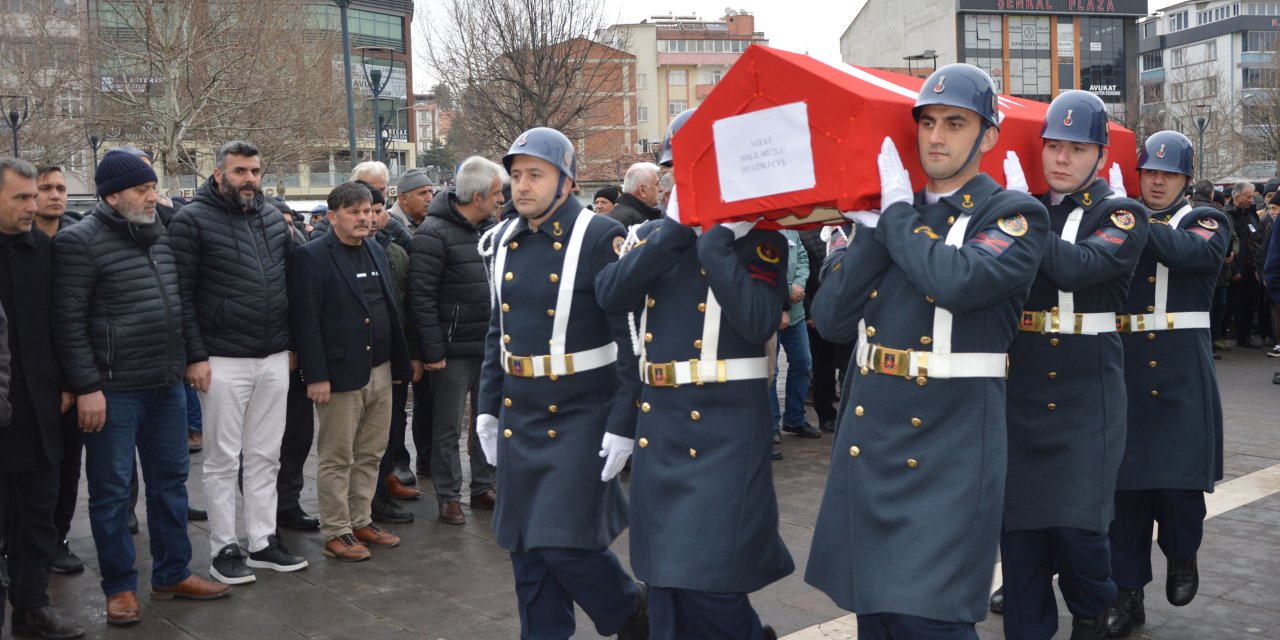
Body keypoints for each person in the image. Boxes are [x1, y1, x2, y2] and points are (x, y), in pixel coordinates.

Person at [805, 63, 1049, 638]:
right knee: (877, 613)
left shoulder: (1014, 213)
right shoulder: (897, 212)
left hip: (950, 438)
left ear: (988, 136)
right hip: (874, 433)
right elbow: (830, 320)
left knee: (928, 617)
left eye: (956, 123)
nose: (936, 137)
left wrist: (895, 220)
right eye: (928, 122)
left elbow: (958, 282)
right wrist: (874, 231)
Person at [596, 108, 792, 639]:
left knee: (710, 579)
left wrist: (715, 243)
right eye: (673, 173)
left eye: (694, 170)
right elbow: (611, 293)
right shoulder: (654, 236)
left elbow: (756, 322)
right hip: (661, 423)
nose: (680, 183)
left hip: (724, 426)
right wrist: (675, 234)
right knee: (662, 578)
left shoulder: (758, 238)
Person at [473, 127, 647, 639]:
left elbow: (630, 339)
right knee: (525, 550)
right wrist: (487, 406)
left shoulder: (599, 235)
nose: (521, 186)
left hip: (580, 415)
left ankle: (638, 617)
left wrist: (623, 421)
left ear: (566, 182)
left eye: (536, 175)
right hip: (520, 412)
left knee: (562, 544)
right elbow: (495, 333)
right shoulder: (503, 238)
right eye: (517, 175)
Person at [54, 150, 232, 627]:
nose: (153, 195)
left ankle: (173, 573)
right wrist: (87, 386)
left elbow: (180, 304)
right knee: (112, 494)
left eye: (153, 186)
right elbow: (67, 325)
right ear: (112, 196)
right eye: (141, 189)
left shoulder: (159, 235)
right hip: (113, 392)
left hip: (166, 384)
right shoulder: (79, 243)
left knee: (171, 484)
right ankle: (119, 589)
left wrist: (194, 357)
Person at [998, 90, 1149, 640]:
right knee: (1019, 539)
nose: (1061, 159)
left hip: (1088, 392)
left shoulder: (1124, 214)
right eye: (1052, 146)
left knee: (1080, 530)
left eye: (1077, 148)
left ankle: (1092, 610)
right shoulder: (1025, 208)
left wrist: (1020, 217)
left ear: (1101, 155)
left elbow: (1077, 267)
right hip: (1024, 388)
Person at [1106, 131, 1231, 638]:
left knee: (1178, 490)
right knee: (1125, 500)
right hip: (1127, 365)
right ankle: (1126, 594)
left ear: (1185, 178)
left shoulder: (1208, 220)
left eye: (1169, 174)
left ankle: (1183, 554)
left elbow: (1186, 254)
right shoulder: (1121, 218)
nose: (1157, 181)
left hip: (1180, 369)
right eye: (1150, 172)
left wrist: (1125, 216)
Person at [167, 140, 305, 585]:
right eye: (240, 171)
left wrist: (290, 347)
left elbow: (288, 284)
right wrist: (195, 355)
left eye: (255, 171)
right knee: (223, 459)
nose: (249, 178)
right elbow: (181, 295)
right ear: (218, 173)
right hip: (220, 359)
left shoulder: (270, 218)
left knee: (266, 455)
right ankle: (224, 547)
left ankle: (263, 541)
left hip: (272, 355)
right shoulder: (191, 221)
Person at [289, 181, 412, 562]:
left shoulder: (375, 248)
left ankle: (361, 519)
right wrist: (317, 376)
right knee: (337, 455)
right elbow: (305, 321)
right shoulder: (311, 256)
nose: (365, 218)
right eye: (355, 212)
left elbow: (387, 308)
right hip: (339, 374)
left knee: (371, 452)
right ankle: (337, 529)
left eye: (369, 211)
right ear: (332, 216)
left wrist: (398, 365)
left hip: (381, 368)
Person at [0, 157, 83, 638]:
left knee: (38, 516)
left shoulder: (47, 252)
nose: (34, 206)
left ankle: (32, 607)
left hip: (42, 410)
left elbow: (66, 326)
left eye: (36, 196)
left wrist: (71, 384)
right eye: (22, 198)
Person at [409, 156, 504, 525]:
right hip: (450, 351)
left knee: (486, 421)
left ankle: (482, 487)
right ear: (477, 196)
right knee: (447, 426)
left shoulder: (490, 230)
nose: (501, 199)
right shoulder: (433, 233)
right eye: (496, 193)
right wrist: (433, 351)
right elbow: (421, 297)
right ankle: (448, 496)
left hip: (488, 345)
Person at [31, 164, 89, 576]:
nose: (56, 194)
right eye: (45, 188)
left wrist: (74, 382)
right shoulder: (15, 245)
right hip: (24, 379)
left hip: (71, 379)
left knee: (69, 465)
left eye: (61, 188)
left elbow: (79, 319)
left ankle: (58, 539)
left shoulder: (75, 243)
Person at [367, 184, 422, 525]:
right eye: (365, 211)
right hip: (361, 361)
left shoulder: (397, 254)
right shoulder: (325, 252)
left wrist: (412, 355)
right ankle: (365, 501)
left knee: (392, 425)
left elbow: (408, 307)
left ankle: (383, 489)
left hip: (395, 355)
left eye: (377, 211)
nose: (371, 218)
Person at [769, 229, 816, 442]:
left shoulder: (791, 231)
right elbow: (761, 271)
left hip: (796, 314)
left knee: (803, 364)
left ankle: (795, 419)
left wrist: (799, 285)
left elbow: (803, 259)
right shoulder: (759, 230)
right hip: (770, 314)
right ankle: (771, 425)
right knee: (771, 371)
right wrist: (788, 289)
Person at [1224, 181, 1263, 347]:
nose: (1251, 200)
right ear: (1237, 196)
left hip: (1252, 266)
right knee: (1231, 304)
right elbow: (1229, 243)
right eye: (1248, 197)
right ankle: (1220, 335)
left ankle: (1244, 336)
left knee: (1250, 303)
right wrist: (1234, 268)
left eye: (1252, 197)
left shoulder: (1252, 214)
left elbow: (1257, 238)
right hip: (1237, 267)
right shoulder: (1228, 215)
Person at [607, 163, 663, 229]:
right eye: (657, 184)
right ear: (642, 190)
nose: (661, 189)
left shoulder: (624, 216)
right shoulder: (632, 222)